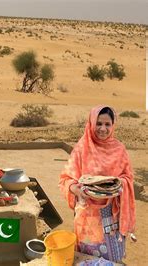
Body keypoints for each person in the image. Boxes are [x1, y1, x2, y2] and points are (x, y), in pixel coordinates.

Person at [59, 106, 136, 263]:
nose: (102, 129)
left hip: (112, 215)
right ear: (91, 123)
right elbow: (65, 179)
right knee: (87, 259)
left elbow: (128, 177)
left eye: (107, 124)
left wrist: (116, 184)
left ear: (113, 125)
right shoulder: (82, 148)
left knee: (112, 260)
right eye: (98, 123)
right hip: (87, 217)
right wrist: (78, 191)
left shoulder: (119, 149)